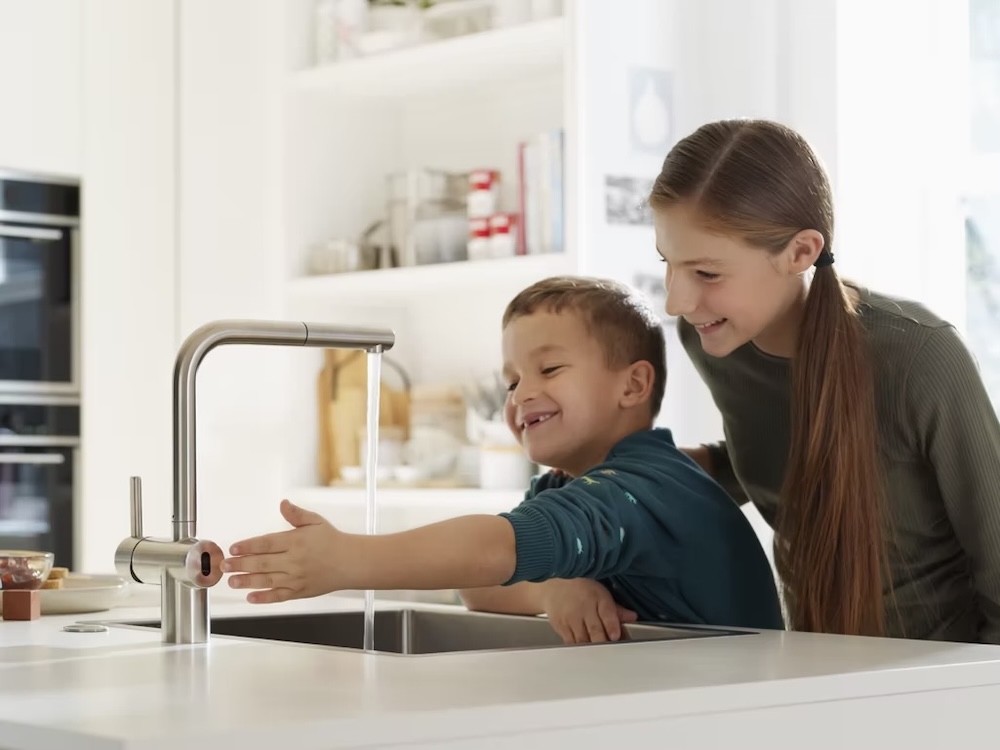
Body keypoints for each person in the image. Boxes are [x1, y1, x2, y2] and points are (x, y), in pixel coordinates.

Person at [552, 118, 1000, 644]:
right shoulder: (713, 340)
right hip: (810, 666)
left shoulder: (921, 356)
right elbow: (781, 453)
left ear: (801, 252)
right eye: (668, 264)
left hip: (942, 684)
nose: (677, 300)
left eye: (707, 274)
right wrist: (617, 480)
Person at [221, 276, 784, 636]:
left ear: (633, 386)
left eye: (550, 369)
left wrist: (350, 559)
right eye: (511, 380)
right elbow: (481, 587)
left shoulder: (643, 487)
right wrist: (551, 586)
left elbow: (496, 549)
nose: (521, 394)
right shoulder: (563, 487)